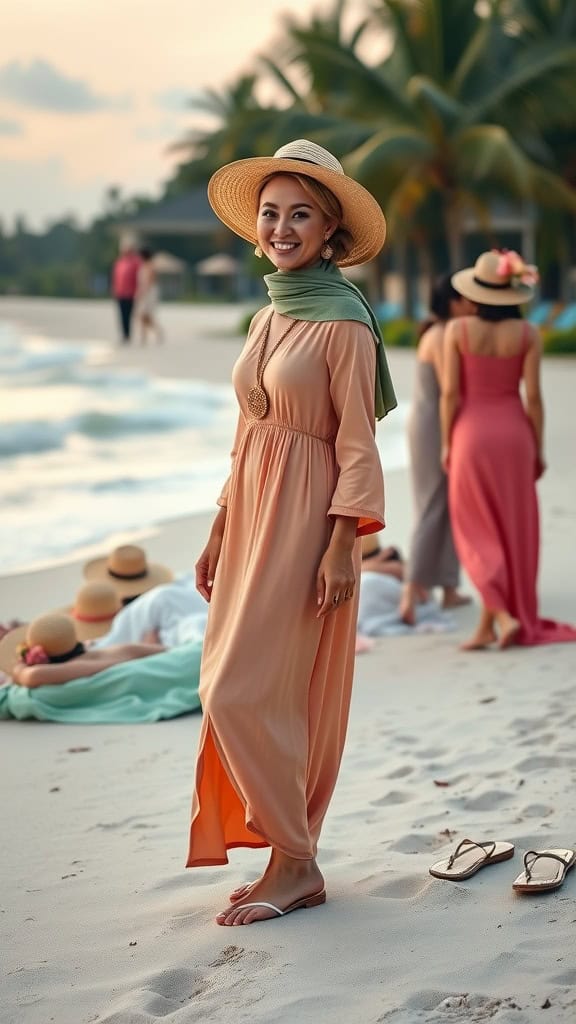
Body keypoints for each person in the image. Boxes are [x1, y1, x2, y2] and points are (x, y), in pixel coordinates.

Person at [189, 139, 396, 926]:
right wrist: (217, 526)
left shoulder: (343, 324)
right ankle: (288, 854)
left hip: (308, 520)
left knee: (242, 689)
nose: (282, 226)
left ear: (329, 227)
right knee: (241, 686)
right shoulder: (269, 311)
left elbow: (356, 444)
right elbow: (247, 433)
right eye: (271, 212)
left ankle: (298, 859)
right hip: (249, 515)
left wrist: (345, 542)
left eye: (299, 213)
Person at [441, 249, 576, 650]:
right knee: (510, 524)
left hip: (472, 434)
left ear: (475, 294)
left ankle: (498, 616)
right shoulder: (528, 335)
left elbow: (450, 393)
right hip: (514, 434)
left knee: (474, 526)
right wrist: (537, 448)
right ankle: (494, 621)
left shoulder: (458, 332)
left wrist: (447, 442)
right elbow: (533, 397)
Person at [399, 274, 475, 625]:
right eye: (467, 298)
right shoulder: (443, 334)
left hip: (429, 424)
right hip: (436, 428)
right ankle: (411, 589)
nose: (473, 304)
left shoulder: (436, 331)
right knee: (434, 506)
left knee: (444, 507)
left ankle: (446, 586)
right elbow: (451, 391)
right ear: (453, 302)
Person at [0, 614, 202, 723]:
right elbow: (170, 651)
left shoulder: (55, 672)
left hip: (187, 667)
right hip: (190, 656)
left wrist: (19, 668)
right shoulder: (117, 650)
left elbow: (28, 676)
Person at [111, 238, 141, 343]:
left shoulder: (136, 262)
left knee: (129, 314)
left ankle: (128, 334)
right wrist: (114, 289)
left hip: (131, 293)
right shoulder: (119, 262)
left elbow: (139, 277)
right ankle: (124, 334)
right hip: (121, 292)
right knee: (122, 315)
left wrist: (138, 291)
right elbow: (115, 277)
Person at [136, 247, 164, 345]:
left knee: (145, 315)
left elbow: (149, 281)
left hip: (149, 293)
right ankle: (145, 336)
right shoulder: (143, 266)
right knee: (142, 316)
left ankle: (156, 332)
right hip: (145, 291)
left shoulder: (150, 266)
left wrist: (142, 293)